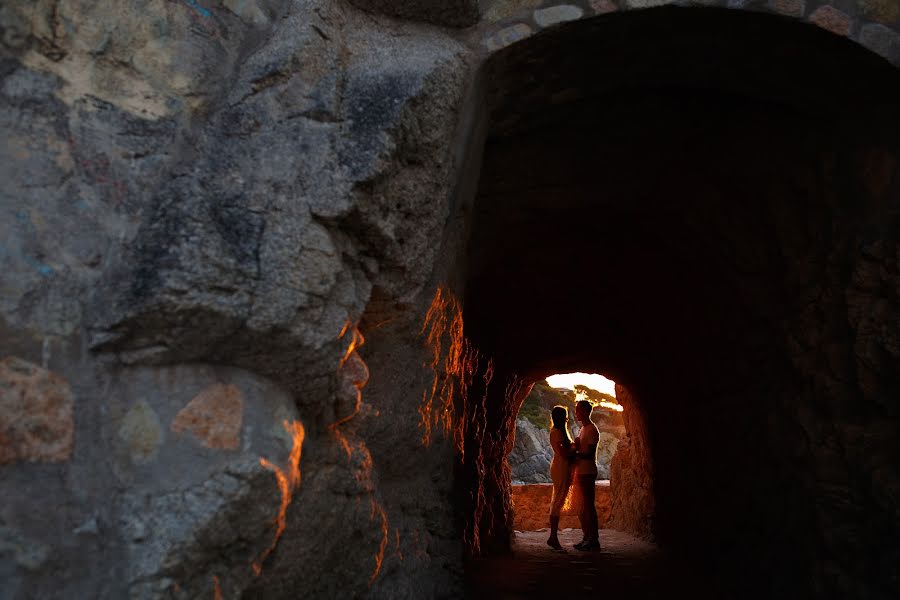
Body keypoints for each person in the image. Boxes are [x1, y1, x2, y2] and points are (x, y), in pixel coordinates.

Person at [547, 405, 578, 550]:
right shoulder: (558, 432)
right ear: (561, 418)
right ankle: (553, 537)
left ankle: (553, 537)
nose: (567, 418)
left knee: (557, 500)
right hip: (561, 467)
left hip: (559, 466)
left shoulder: (557, 431)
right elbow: (564, 453)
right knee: (558, 501)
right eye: (565, 415)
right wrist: (575, 447)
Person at [572, 399, 601, 550]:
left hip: (588, 471)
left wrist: (574, 454)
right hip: (582, 471)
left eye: (578, 410)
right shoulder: (583, 429)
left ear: (584, 411)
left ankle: (593, 540)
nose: (576, 412)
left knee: (589, 506)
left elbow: (589, 454)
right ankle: (586, 537)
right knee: (583, 507)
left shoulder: (591, 430)